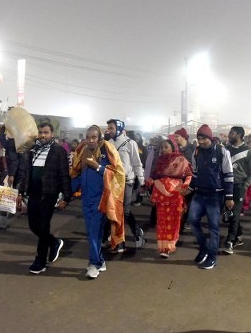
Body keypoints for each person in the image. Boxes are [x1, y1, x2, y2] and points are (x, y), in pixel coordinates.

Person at [70, 125, 125, 279]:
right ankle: (100, 261)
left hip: (101, 200)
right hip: (86, 199)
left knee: (93, 233)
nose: (90, 140)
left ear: (100, 138)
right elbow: (77, 173)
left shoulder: (108, 150)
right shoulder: (82, 150)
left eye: (94, 137)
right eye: (88, 137)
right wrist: (67, 194)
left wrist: (98, 167)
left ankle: (93, 263)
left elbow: (119, 174)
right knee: (95, 232)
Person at [17, 122, 72, 274]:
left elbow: (64, 175)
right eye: (40, 132)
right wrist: (20, 192)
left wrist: (66, 197)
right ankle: (54, 242)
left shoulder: (58, 151)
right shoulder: (33, 150)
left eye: (46, 132)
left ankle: (40, 261)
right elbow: (26, 173)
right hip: (33, 193)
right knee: (33, 225)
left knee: (43, 226)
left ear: (52, 134)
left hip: (48, 194)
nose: (42, 135)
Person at [187, 124, 234, 270]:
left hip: (215, 195)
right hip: (199, 193)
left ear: (210, 137)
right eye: (199, 139)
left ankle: (212, 257)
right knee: (192, 220)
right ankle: (204, 248)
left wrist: (229, 197)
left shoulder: (221, 151)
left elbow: (228, 175)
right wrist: (190, 188)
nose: (201, 141)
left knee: (213, 227)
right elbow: (195, 173)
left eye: (204, 139)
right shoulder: (196, 152)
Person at [103, 119, 145, 252]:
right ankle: (116, 240)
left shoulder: (130, 143)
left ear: (119, 128)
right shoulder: (108, 143)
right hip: (113, 182)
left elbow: (137, 163)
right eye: (108, 128)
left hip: (127, 181)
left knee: (124, 211)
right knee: (112, 211)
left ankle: (136, 233)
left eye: (111, 128)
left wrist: (142, 181)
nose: (109, 131)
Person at [146, 138, 192, 259]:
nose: (164, 149)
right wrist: (148, 182)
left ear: (173, 147)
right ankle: (163, 248)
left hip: (176, 194)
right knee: (161, 221)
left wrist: (185, 185)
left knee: (174, 221)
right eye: (162, 147)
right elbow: (154, 175)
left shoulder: (181, 159)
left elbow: (189, 175)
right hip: (161, 194)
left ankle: (170, 245)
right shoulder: (159, 160)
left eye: (166, 147)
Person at [222, 126, 251, 255]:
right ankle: (239, 236)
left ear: (239, 135)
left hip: (239, 186)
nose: (229, 135)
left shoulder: (248, 151)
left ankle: (230, 241)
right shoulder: (226, 149)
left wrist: (245, 186)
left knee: (234, 214)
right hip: (227, 186)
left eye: (232, 133)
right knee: (230, 214)